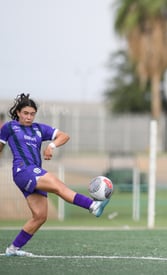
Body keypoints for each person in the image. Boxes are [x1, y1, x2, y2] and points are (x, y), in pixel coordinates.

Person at [0, 93, 110, 257]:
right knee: (58, 185)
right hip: (23, 171)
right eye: (25, 113)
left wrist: (51, 145)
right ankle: (92, 206)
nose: (29, 117)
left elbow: (64, 136)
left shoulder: (38, 129)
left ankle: (13, 249)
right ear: (18, 112)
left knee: (40, 216)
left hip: (33, 173)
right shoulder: (9, 127)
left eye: (32, 114)